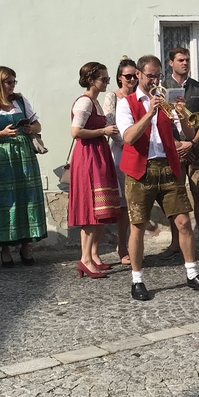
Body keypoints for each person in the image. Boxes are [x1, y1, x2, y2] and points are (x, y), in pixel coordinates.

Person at [117, 55, 199, 300]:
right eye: (150, 75)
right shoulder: (127, 103)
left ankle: (193, 273)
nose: (155, 80)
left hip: (168, 167)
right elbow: (129, 137)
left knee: (183, 221)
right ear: (139, 75)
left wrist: (182, 113)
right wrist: (149, 113)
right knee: (138, 226)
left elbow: (190, 132)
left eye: (158, 76)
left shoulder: (167, 102)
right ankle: (137, 279)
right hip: (140, 170)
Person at [0, 66, 47, 267]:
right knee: (4, 200)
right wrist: (1, 134)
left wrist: (29, 128)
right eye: (9, 82)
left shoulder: (20, 101)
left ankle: (26, 244)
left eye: (14, 82)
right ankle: (5, 248)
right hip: (1, 156)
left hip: (24, 154)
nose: (12, 86)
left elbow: (38, 126)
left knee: (26, 197)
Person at [68, 62, 120, 278]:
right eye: (104, 79)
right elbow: (75, 132)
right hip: (88, 156)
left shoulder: (95, 102)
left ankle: (92, 255)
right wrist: (103, 130)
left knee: (101, 208)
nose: (107, 82)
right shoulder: (84, 102)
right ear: (91, 80)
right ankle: (85, 259)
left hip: (98, 154)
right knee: (91, 209)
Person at [163, 47, 199, 258]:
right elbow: (160, 122)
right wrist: (176, 145)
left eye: (187, 60)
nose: (185, 63)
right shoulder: (162, 88)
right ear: (171, 63)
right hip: (172, 148)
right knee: (173, 196)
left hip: (194, 147)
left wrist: (192, 143)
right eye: (180, 60)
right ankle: (175, 243)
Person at [103, 57, 139, 265]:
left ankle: (133, 242)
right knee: (124, 203)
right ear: (119, 78)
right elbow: (111, 126)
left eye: (135, 75)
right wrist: (128, 144)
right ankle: (123, 245)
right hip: (122, 150)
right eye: (128, 76)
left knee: (137, 199)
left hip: (139, 150)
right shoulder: (113, 97)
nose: (132, 79)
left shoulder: (140, 96)